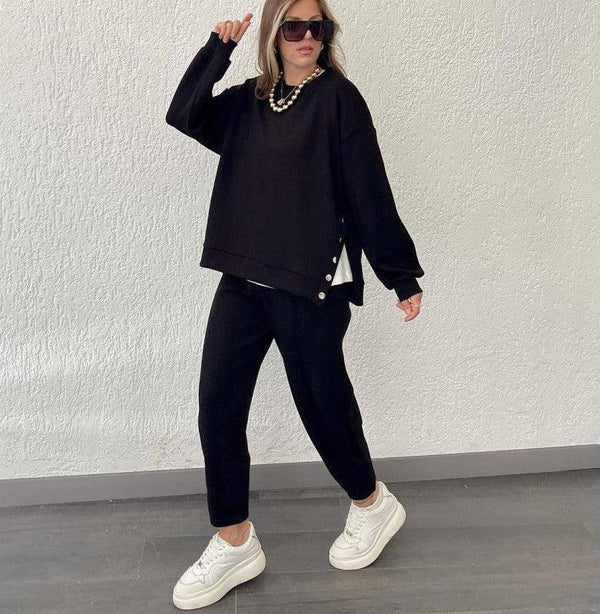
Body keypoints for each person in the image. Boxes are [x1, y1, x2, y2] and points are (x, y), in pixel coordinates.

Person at [166, 0, 425, 609]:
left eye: (318, 27)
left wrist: (400, 274)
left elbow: (369, 189)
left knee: (322, 406)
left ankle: (372, 504)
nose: (308, 36)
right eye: (294, 26)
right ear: (273, 33)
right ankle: (234, 541)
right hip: (243, 277)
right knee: (217, 406)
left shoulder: (339, 100)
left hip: (313, 282)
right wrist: (217, 50)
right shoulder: (250, 100)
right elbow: (185, 113)